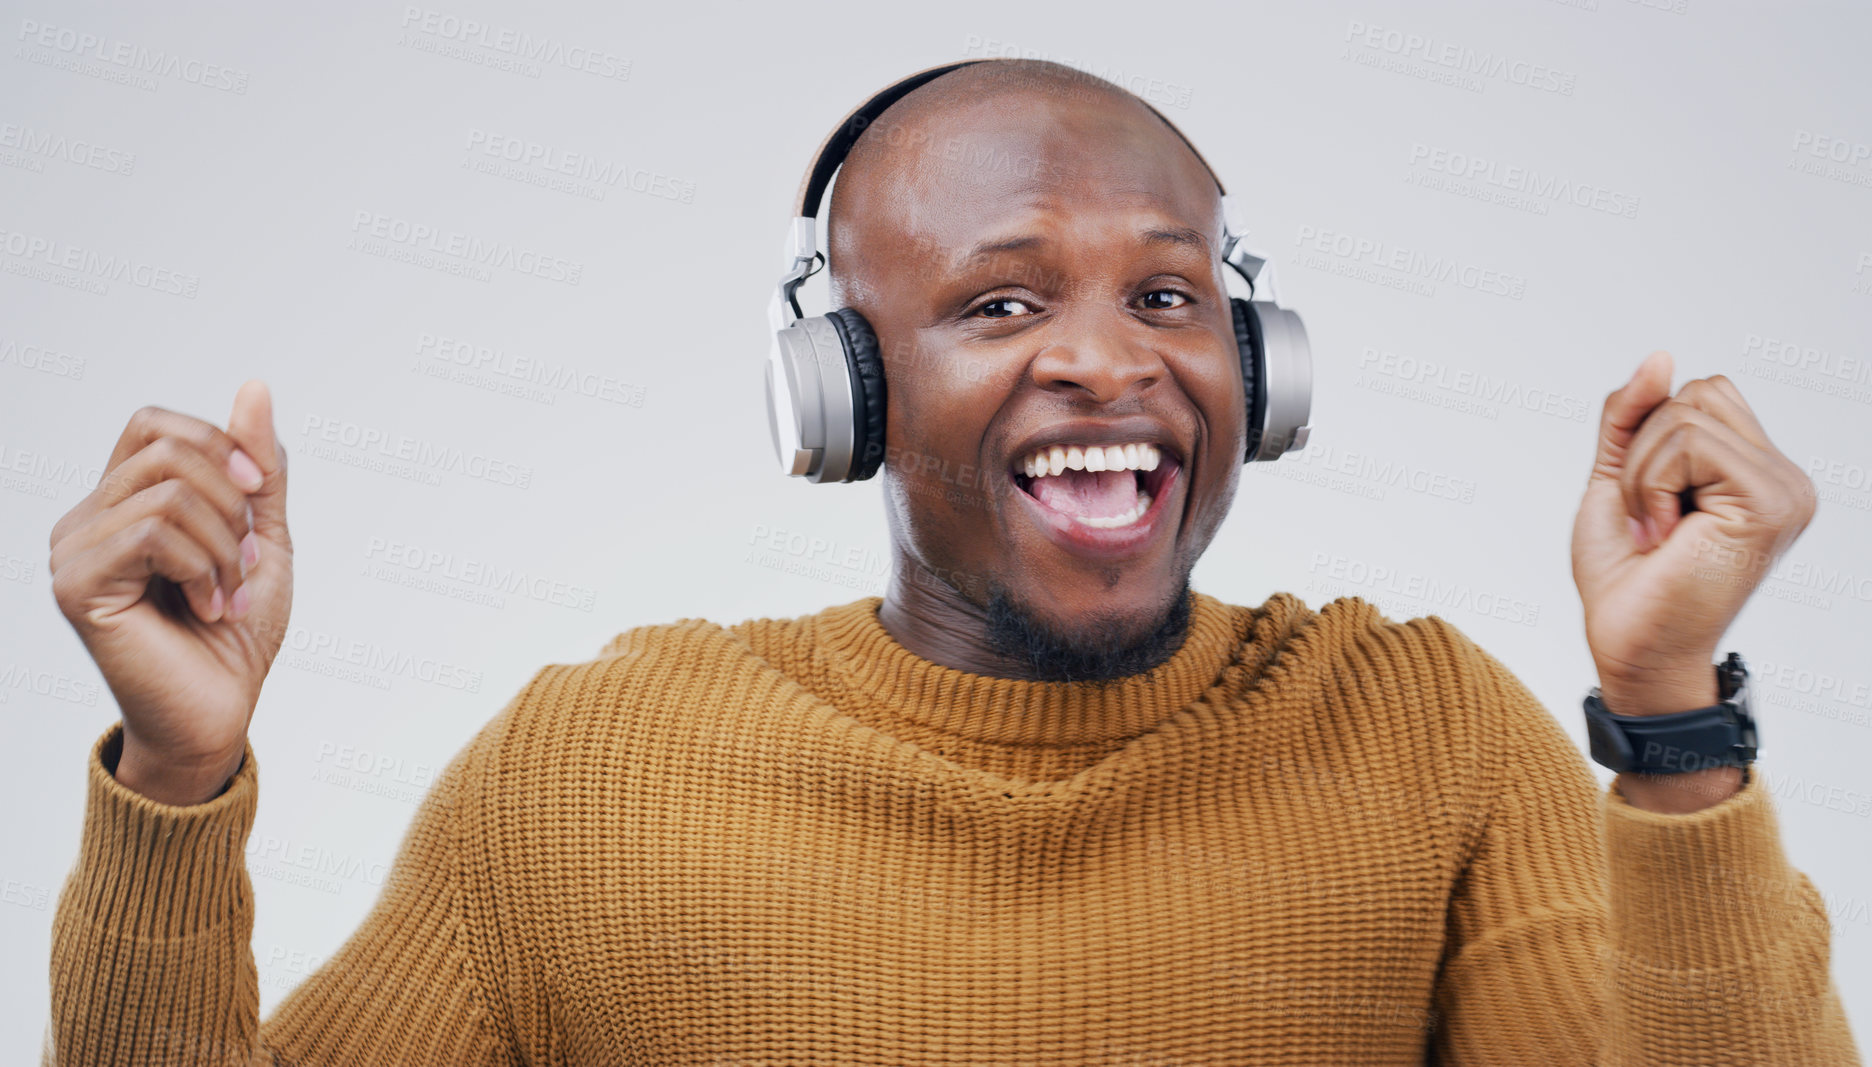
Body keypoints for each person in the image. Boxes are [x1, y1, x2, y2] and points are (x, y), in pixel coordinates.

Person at [42, 59, 1859, 1065]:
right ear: (843, 392)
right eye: (1000, 302)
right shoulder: (587, 775)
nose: (1106, 359)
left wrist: (1669, 716)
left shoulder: (1428, 734)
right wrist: (179, 779)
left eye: (1167, 295)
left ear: (1261, 373)